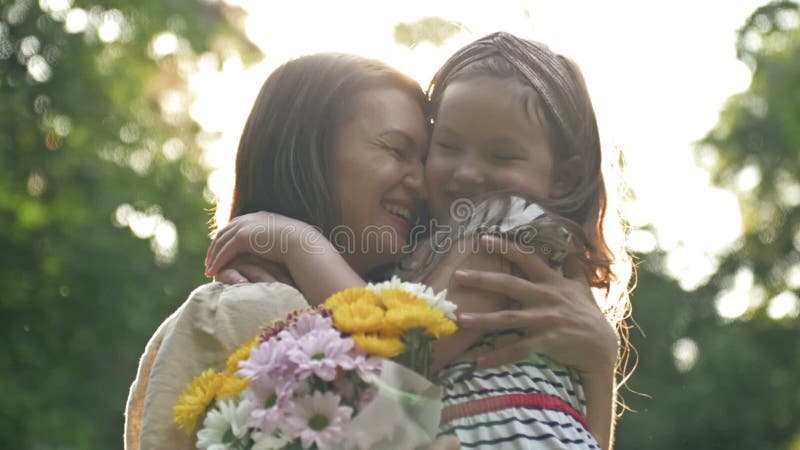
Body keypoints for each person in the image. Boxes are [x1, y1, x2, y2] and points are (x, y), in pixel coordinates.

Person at [206, 32, 632, 449]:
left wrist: (299, 244)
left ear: (565, 178)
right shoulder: (430, 248)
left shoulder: (510, 232)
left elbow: (404, 348)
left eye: (501, 155)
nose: (466, 172)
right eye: (446, 146)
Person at [124, 52, 459, 450]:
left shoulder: (404, 313)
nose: (421, 184)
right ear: (308, 152)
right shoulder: (260, 309)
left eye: (423, 161)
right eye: (397, 151)